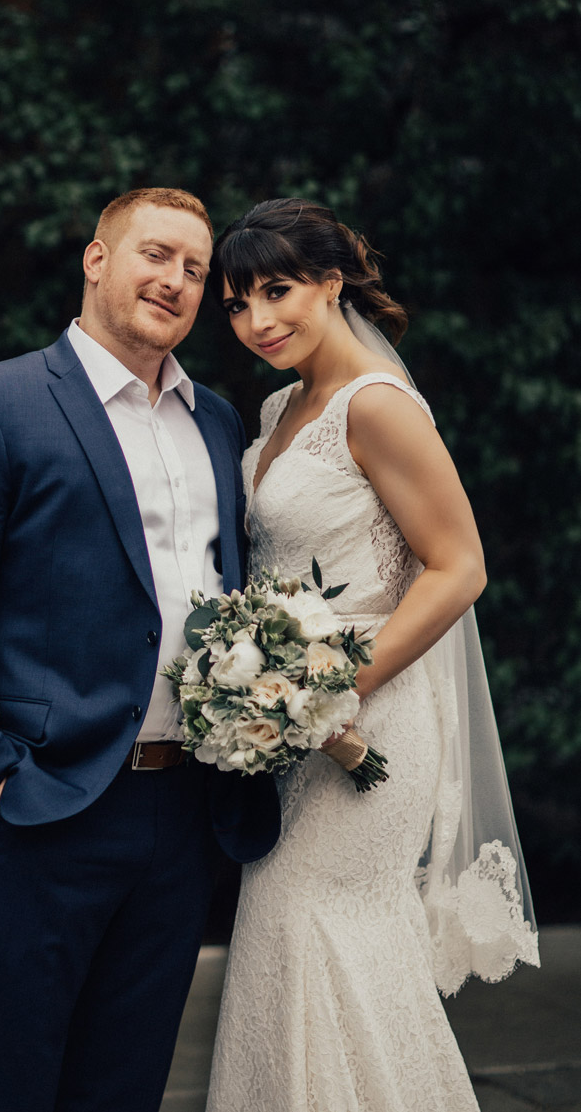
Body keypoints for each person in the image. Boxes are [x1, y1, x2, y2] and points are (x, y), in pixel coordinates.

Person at [0, 186, 280, 1112]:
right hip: (37, 808)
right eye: (155, 254)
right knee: (3, 1086)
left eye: (195, 269)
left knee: (124, 1086)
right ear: (96, 260)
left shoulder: (218, 421)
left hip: (181, 811)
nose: (176, 280)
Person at [203, 198, 540, 1112]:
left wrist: (329, 688)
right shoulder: (279, 405)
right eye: (235, 304)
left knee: (322, 925)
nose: (256, 321)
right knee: (286, 933)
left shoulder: (376, 406)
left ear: (331, 280)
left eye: (276, 290)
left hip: (365, 717)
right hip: (288, 724)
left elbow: (457, 566)